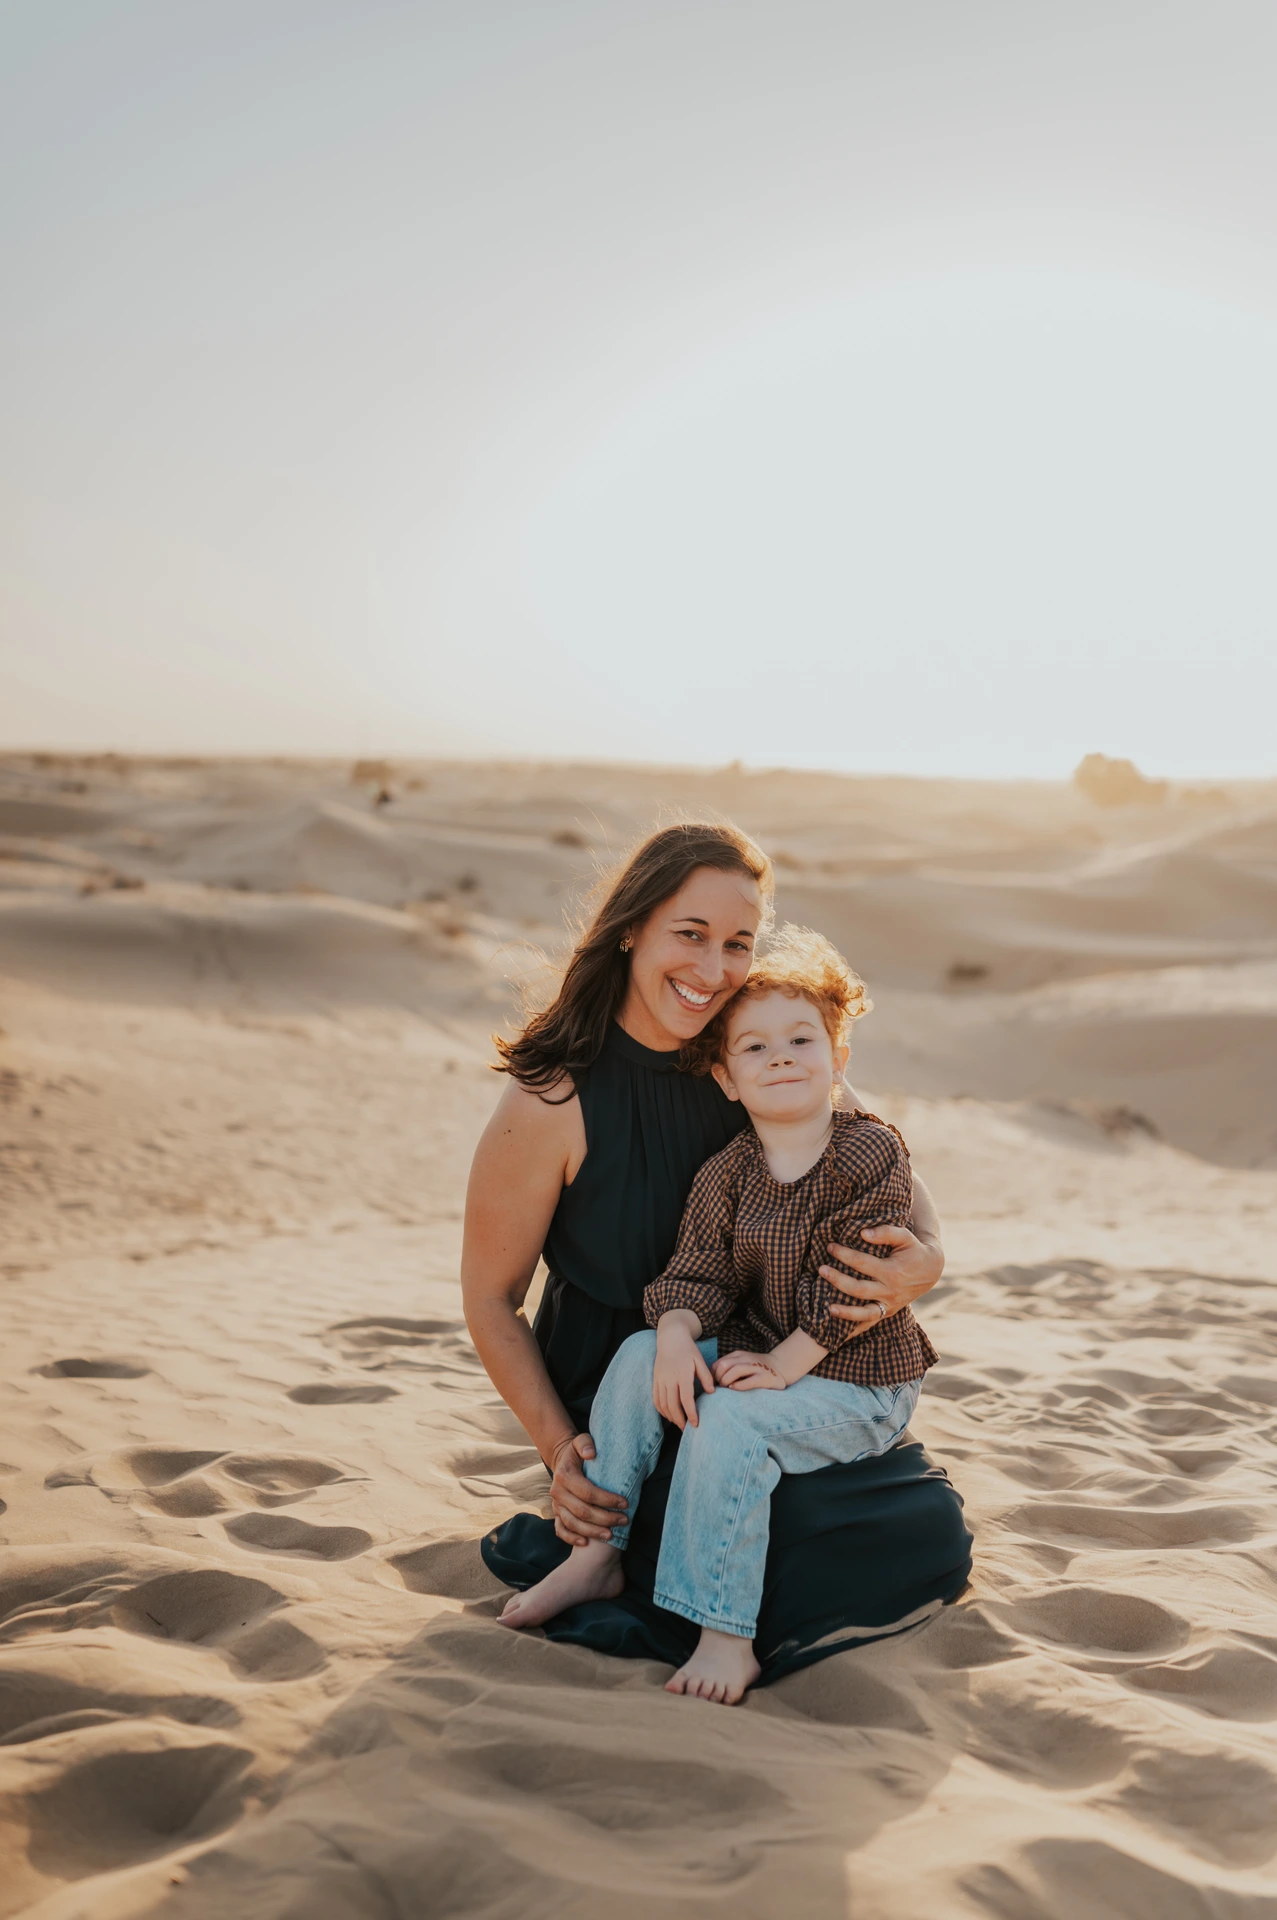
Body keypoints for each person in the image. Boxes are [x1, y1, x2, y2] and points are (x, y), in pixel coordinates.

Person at [463, 822, 971, 1683]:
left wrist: (926, 1263)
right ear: (631, 927)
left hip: (767, 1357)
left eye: (736, 943)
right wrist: (562, 1458)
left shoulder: (756, 1045)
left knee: (909, 1525)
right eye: (688, 935)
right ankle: (623, 1552)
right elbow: (488, 1300)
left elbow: (899, 1194)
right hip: (623, 1386)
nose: (711, 970)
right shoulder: (550, 1097)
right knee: (792, 1548)